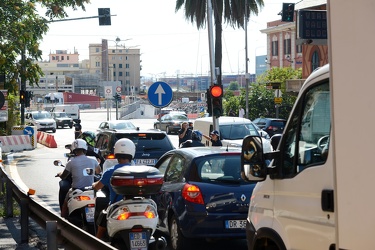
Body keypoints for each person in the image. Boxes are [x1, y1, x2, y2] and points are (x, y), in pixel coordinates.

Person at [92, 138, 135, 239]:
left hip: (117, 207)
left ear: (116, 153)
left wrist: (93, 185)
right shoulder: (137, 170)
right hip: (136, 207)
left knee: (102, 221)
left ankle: (97, 244)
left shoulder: (110, 171)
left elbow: (98, 187)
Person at [57, 139, 101, 217]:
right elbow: (98, 171)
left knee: (65, 203)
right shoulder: (93, 159)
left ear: (74, 150)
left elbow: (64, 176)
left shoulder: (71, 162)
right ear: (85, 149)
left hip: (76, 190)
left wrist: (60, 174)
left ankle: (63, 220)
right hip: (91, 189)